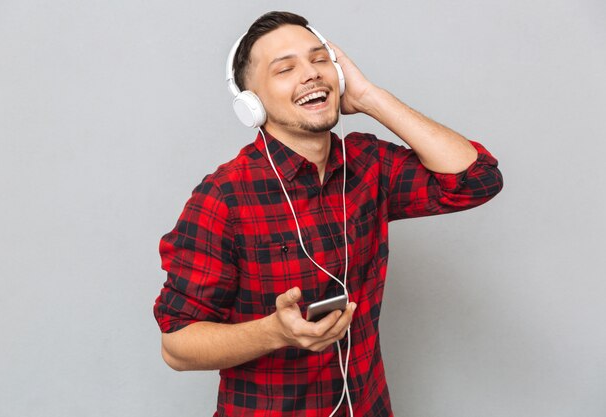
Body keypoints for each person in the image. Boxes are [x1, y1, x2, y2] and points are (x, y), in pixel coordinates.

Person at [153, 11, 503, 417]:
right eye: (285, 69)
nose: (311, 75)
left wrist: (371, 97)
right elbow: (177, 347)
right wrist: (273, 333)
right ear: (251, 103)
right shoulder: (224, 197)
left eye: (320, 60)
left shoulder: (367, 164)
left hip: (368, 407)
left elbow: (477, 180)